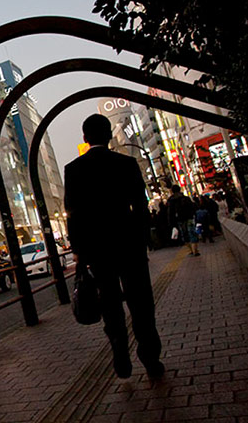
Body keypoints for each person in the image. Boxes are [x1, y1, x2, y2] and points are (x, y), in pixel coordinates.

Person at [64, 114, 164, 380]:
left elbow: (72, 214)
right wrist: (143, 240)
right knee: (141, 302)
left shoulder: (73, 170)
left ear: (85, 139)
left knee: (109, 303)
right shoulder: (127, 164)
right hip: (129, 245)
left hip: (97, 251)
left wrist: (79, 252)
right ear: (109, 136)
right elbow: (141, 208)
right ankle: (151, 357)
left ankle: (120, 354)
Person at [167, 185, 199, 256]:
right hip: (189, 217)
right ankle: (195, 250)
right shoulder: (185, 198)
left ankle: (191, 250)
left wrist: (171, 223)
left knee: (185, 235)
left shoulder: (171, 200)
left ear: (172, 191)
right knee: (192, 233)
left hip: (180, 219)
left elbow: (170, 213)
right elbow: (193, 207)